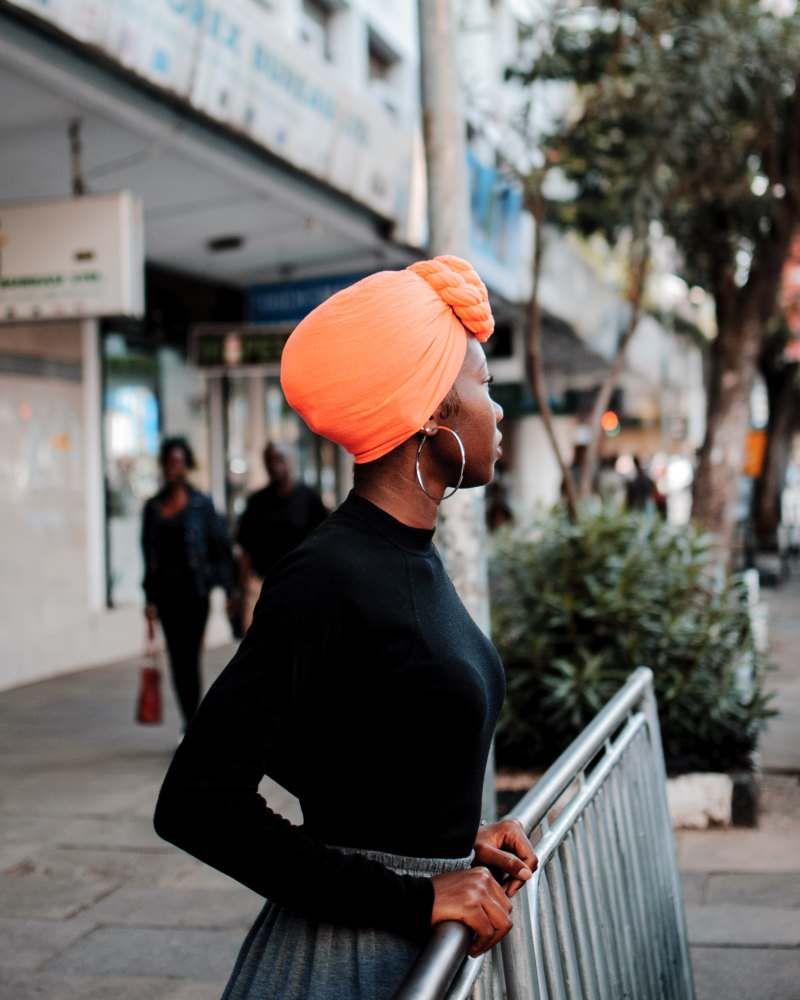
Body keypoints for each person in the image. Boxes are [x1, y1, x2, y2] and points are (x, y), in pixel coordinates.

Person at [153, 256, 538, 1000]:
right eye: (482, 386)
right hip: (351, 966)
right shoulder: (328, 573)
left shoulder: (411, 553)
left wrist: (452, 840)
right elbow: (198, 800)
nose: (496, 412)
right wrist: (414, 892)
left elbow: (353, 742)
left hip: (420, 946)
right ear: (432, 412)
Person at [141, 437, 236, 728]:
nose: (175, 468)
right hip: (166, 595)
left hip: (195, 594)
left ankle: (193, 724)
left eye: (180, 462)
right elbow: (147, 554)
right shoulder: (153, 507)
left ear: (187, 465)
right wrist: (149, 599)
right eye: (170, 462)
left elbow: (220, 546)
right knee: (177, 659)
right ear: (164, 465)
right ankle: (189, 720)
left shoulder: (201, 504)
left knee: (189, 656)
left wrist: (227, 589)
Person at [235, 442, 328, 634]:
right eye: (270, 461)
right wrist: (240, 590)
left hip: (300, 582)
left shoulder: (309, 498)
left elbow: (325, 543)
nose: (274, 466)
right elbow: (246, 549)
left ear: (290, 462)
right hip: (262, 583)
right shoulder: (256, 501)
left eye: (279, 460)